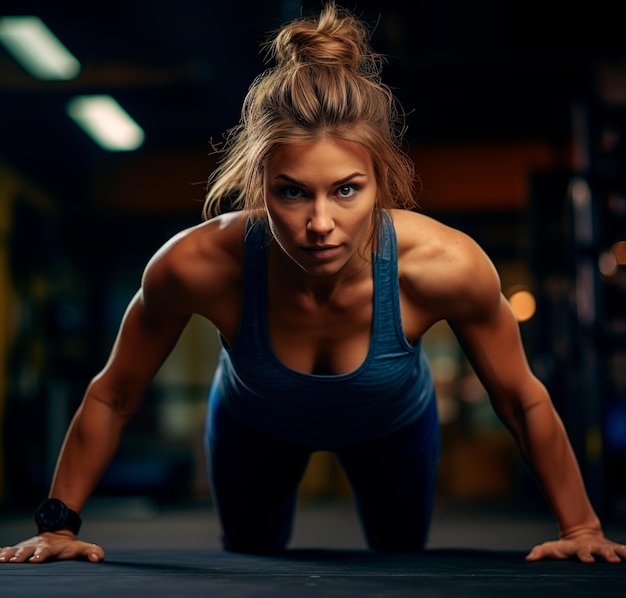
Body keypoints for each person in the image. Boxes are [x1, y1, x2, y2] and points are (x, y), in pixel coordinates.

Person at [1, 1, 625, 565]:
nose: (319, 224)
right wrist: (56, 528)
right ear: (259, 187)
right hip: (252, 426)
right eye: (292, 192)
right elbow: (113, 395)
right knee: (251, 561)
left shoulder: (445, 264)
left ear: (382, 182)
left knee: (400, 563)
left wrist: (581, 527)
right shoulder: (195, 264)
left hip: (395, 429)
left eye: (347, 190)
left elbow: (522, 398)